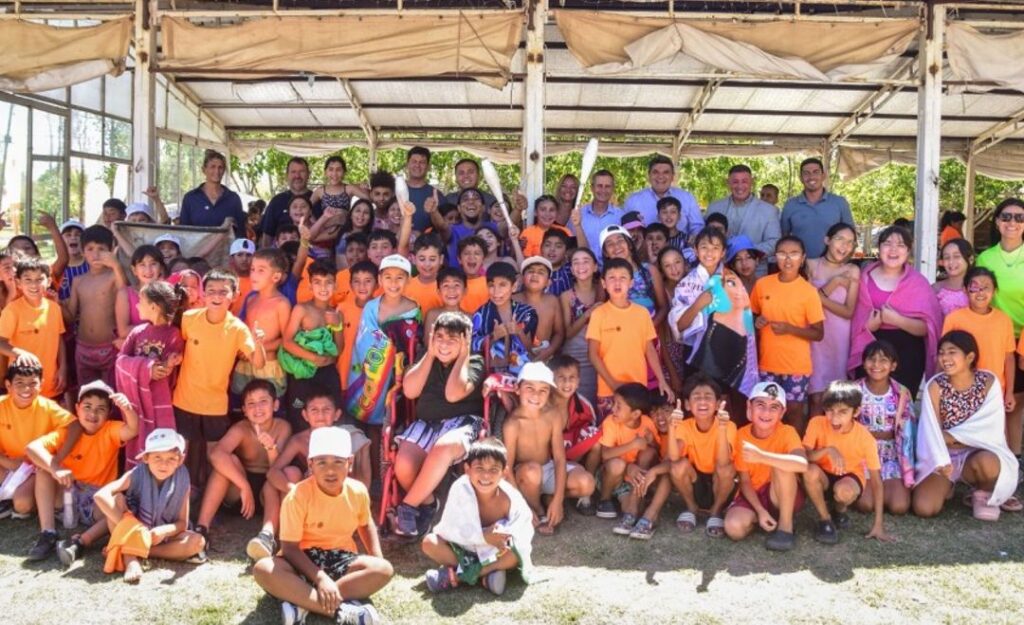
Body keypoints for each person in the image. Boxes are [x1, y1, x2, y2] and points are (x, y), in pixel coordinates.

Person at [252, 426, 392, 625]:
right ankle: (340, 610)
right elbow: (290, 548)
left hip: (341, 558)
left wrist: (377, 557)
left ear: (350, 463)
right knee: (263, 568)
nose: (330, 470)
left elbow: (365, 523)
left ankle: (302, 601)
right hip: (301, 559)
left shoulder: (358, 490)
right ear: (310, 464)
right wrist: (320, 579)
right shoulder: (297, 496)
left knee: (383, 569)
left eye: (338, 462)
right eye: (321, 462)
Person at [393, 311, 485, 538]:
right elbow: (410, 391)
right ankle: (429, 502)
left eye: (452, 339)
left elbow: (454, 395)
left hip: (463, 423)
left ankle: (407, 507)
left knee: (444, 446)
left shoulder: (475, 361)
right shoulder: (427, 357)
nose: (444, 344)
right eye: (440, 337)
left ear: (465, 341)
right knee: (403, 464)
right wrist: (430, 355)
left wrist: (463, 356)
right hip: (427, 422)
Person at [27, 381, 139, 565]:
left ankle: (80, 542)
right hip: (67, 490)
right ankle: (48, 533)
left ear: (108, 413)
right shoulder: (66, 431)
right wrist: (55, 468)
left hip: (94, 497)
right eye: (87, 407)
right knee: (43, 471)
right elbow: (31, 448)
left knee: (118, 504)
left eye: (100, 409)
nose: (92, 414)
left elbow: (132, 429)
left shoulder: (110, 429)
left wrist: (126, 408)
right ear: (77, 408)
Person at [173, 270, 266, 493]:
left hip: (216, 403)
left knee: (214, 454)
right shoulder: (188, 318)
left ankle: (215, 497)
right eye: (211, 291)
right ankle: (180, 497)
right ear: (203, 294)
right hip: (184, 399)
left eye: (223, 292)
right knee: (182, 452)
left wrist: (258, 342)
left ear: (234, 295)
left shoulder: (238, 328)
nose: (217, 296)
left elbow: (258, 363)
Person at [913, 331, 1020, 521]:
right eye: (941, 352)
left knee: (989, 463)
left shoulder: (988, 382)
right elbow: (931, 432)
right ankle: (949, 483)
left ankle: (982, 493)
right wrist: (941, 459)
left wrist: (952, 437)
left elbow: (990, 429)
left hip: (978, 453)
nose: (944, 358)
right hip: (944, 456)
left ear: (970, 357)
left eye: (951, 352)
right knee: (924, 508)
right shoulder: (935, 386)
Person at [421, 437, 534, 595]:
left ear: (504, 472)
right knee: (429, 543)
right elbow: (450, 528)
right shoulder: (460, 488)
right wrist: (482, 537)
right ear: (467, 469)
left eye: (494, 470)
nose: (486, 476)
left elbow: (523, 528)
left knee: (514, 555)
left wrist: (502, 536)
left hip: (494, 551)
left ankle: (459, 576)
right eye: (479, 468)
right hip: (463, 549)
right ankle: (487, 576)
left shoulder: (510, 498)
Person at [93, 428, 206, 584]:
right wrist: (132, 530)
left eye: (171, 459)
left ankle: (138, 550)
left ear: (180, 460)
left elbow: (182, 523)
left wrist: (164, 530)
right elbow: (101, 495)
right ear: (146, 457)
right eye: (157, 457)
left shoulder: (183, 477)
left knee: (197, 542)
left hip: (159, 535)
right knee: (117, 499)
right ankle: (130, 559)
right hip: (135, 527)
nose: (164, 464)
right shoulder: (137, 473)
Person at [195, 379, 291, 560]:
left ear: (275, 405)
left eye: (264, 401)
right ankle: (201, 529)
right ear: (244, 411)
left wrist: (271, 449)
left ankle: (268, 536)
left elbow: (278, 470)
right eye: (251, 404)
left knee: (275, 480)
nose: (258, 408)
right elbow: (216, 455)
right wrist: (244, 485)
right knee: (226, 462)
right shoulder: (241, 428)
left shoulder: (282, 427)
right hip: (240, 495)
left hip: (268, 495)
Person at [849, 225, 943, 398]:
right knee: (865, 402)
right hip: (870, 345)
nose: (893, 249)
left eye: (900, 245)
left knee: (901, 404)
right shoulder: (863, 277)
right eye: (887, 243)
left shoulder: (918, 283)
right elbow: (853, 319)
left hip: (907, 351)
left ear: (908, 251)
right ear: (879, 248)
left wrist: (897, 320)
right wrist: (868, 326)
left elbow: (928, 327)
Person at [503, 362, 595, 535]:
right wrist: (521, 506)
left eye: (543, 390)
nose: (536, 395)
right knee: (532, 471)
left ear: (549, 392)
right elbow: (507, 468)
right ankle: (536, 509)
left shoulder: (552, 415)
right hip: (526, 475)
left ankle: (549, 499)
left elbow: (560, 458)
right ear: (518, 389)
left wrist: (559, 500)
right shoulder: (513, 424)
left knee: (587, 483)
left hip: (549, 467)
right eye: (529, 388)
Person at [802, 381, 893, 544]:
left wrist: (878, 524)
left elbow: (877, 482)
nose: (834, 418)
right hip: (822, 474)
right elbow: (804, 457)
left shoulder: (865, 438)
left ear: (856, 411)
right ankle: (825, 520)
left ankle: (840, 510)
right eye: (829, 410)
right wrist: (827, 450)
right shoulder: (816, 423)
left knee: (843, 492)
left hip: (849, 477)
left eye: (842, 412)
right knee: (809, 471)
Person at [751, 236, 825, 433]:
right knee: (766, 412)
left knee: (794, 411)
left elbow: (818, 333)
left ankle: (794, 455)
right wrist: (756, 322)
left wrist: (790, 329)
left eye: (794, 254)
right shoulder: (763, 284)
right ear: (776, 257)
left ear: (803, 258)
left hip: (796, 366)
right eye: (783, 253)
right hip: (767, 363)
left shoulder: (808, 292)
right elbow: (752, 317)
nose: (788, 259)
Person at [723, 381, 808, 552]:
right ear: (749, 406)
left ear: (782, 412)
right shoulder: (741, 435)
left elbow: (802, 464)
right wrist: (760, 511)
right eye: (760, 405)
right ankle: (763, 518)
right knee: (734, 528)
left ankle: (785, 527)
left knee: (782, 464)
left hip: (781, 493)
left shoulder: (787, 432)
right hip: (755, 494)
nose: (766, 412)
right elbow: (745, 481)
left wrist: (762, 457)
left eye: (774, 407)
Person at [943, 267, 1019, 452]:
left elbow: (1009, 357)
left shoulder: (1004, 320)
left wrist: (1009, 392)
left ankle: (999, 472)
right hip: (961, 389)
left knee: (996, 437)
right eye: (974, 287)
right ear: (965, 290)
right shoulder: (955, 319)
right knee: (961, 436)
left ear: (994, 291)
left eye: (986, 287)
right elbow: (944, 355)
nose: (980, 292)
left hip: (994, 391)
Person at [588, 257, 673, 422]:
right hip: (608, 390)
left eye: (623, 278)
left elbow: (649, 350)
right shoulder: (599, 314)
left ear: (631, 283)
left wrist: (662, 380)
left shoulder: (642, 314)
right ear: (604, 284)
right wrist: (613, 384)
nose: (617, 283)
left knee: (638, 432)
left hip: (638, 389)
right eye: (612, 278)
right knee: (610, 437)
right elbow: (592, 354)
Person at [0, 362, 74, 545]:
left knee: (22, 504)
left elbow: (75, 425)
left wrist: (56, 459)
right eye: (19, 383)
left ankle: (15, 503)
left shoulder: (47, 407)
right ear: (8, 385)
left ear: (41, 384)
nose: (26, 389)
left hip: (33, 467)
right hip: (7, 463)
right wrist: (6, 462)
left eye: (33, 383)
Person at [115, 280, 186, 468]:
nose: (137, 305)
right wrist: (147, 369)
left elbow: (170, 367)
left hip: (159, 402)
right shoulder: (137, 332)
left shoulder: (173, 334)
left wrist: (168, 366)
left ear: (153, 307)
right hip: (137, 402)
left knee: (160, 445)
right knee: (138, 442)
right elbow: (120, 361)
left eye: (140, 300)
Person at [976, 198, 1024, 457]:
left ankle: (1014, 456)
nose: (1012, 223)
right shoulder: (986, 257)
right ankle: (993, 455)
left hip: (1023, 338)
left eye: (1019, 217)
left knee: (1017, 402)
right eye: (1006, 217)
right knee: (998, 400)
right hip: (995, 338)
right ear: (997, 221)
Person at [666, 374, 737, 538]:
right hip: (697, 478)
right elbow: (674, 457)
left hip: (721, 482)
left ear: (718, 404)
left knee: (726, 469)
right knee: (677, 466)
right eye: (696, 397)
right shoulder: (684, 426)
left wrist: (721, 429)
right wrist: (672, 428)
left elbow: (723, 461)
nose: (702, 401)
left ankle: (716, 511)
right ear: (687, 405)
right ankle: (691, 508)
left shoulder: (729, 425)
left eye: (708, 397)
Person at [280, 260, 344, 430]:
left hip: (327, 373)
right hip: (304, 374)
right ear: (310, 286)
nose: (323, 288)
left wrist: (337, 325)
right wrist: (313, 357)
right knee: (299, 418)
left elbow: (339, 349)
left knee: (330, 419)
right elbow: (287, 342)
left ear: (335, 285)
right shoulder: (302, 309)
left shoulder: (336, 313)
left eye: (328, 282)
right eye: (317, 282)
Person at [854, 340, 916, 515]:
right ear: (863, 363)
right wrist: (875, 434)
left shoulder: (902, 393)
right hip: (862, 456)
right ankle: (870, 488)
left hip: (892, 457)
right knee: (865, 505)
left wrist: (893, 434)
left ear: (893, 365)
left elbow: (910, 430)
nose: (876, 365)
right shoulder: (854, 390)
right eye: (871, 359)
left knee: (899, 507)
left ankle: (888, 486)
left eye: (883, 360)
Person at [806, 223, 860, 418]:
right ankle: (812, 443)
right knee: (815, 397)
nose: (844, 246)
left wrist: (818, 297)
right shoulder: (811, 264)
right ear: (827, 240)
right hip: (816, 335)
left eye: (850, 242)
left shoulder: (852, 269)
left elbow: (848, 311)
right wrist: (836, 282)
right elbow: (808, 304)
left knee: (837, 397)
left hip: (839, 338)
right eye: (839, 239)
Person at [593, 383, 660, 533]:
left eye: (618, 406)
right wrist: (632, 445)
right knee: (617, 464)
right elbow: (605, 455)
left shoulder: (647, 423)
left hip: (631, 479)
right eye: (614, 404)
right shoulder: (610, 422)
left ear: (636, 414)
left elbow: (657, 452)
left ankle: (633, 503)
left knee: (648, 453)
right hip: (611, 475)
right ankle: (604, 500)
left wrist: (652, 442)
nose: (613, 409)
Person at [65, 225, 125, 388]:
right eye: (90, 249)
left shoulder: (115, 276)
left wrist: (116, 265)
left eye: (101, 249)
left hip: (110, 346)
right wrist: (55, 301)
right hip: (83, 346)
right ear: (83, 252)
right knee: (86, 394)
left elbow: (125, 293)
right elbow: (70, 315)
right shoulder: (78, 281)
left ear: (112, 250)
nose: (96, 254)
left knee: (111, 396)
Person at [0, 257, 67, 400]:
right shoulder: (12, 310)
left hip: (50, 383)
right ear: (18, 283)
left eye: (39, 279)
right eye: (28, 280)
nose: (34, 285)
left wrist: (63, 368)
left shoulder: (54, 308)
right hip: (23, 388)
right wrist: (20, 354)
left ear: (48, 281)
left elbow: (59, 338)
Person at [233, 249, 291, 400]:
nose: (254, 275)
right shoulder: (251, 299)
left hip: (269, 367)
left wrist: (260, 349)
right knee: (242, 407)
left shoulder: (281, 303)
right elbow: (244, 330)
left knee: (267, 408)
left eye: (261, 271)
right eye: (252, 270)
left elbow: (287, 340)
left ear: (276, 276)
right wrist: (244, 349)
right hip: (245, 364)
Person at [706, 164, 781, 273]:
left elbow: (775, 242)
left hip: (755, 272)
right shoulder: (714, 207)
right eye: (735, 182)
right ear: (728, 183)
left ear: (752, 182)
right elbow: (705, 237)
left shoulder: (769, 210)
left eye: (744, 181)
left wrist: (747, 253)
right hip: (720, 271)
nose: (740, 186)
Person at [471, 261, 537, 376]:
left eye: (502, 285)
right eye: (491, 285)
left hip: (523, 377)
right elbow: (472, 345)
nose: (496, 291)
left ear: (514, 286)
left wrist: (519, 331)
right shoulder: (481, 314)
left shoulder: (526, 313)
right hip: (491, 377)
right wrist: (492, 337)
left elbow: (533, 349)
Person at [780, 157, 854, 258]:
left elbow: (851, 237)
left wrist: (843, 262)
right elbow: (784, 238)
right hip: (800, 267)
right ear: (801, 178)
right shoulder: (790, 205)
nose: (811, 177)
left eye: (816, 172)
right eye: (806, 173)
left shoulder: (839, 203)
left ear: (823, 176)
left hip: (832, 266)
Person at [559, 248, 604, 405]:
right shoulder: (566, 296)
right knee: (576, 401)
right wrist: (587, 313)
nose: (581, 266)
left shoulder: (603, 289)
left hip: (599, 353)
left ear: (595, 267)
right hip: (574, 353)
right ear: (571, 269)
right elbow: (568, 333)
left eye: (586, 261)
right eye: (576, 263)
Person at [548, 354, 602, 483]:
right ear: (551, 380)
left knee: (595, 438)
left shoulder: (584, 405)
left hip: (572, 451)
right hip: (546, 453)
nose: (567, 383)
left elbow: (590, 429)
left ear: (578, 381)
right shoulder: (542, 402)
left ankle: (589, 482)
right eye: (561, 377)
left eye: (572, 377)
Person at [624, 155, 703, 236]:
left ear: (673, 176)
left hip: (681, 247)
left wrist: (693, 240)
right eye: (655, 172)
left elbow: (697, 226)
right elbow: (625, 230)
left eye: (666, 172)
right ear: (649, 176)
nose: (660, 176)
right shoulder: (633, 200)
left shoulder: (687, 198)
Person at [179, 149, 246, 238]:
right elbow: (183, 232)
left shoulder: (233, 199)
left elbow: (240, 233)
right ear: (204, 170)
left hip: (226, 250)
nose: (217, 171)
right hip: (197, 251)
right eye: (212, 167)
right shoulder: (190, 198)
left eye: (220, 167)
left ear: (224, 170)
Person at [114, 245, 166, 350]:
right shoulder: (125, 294)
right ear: (134, 270)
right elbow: (123, 331)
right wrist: (156, 331)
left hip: (161, 352)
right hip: (132, 354)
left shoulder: (167, 294)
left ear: (161, 268)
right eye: (142, 265)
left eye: (153, 264)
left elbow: (170, 329)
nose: (148, 270)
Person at [337, 261, 378, 393]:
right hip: (344, 373)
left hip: (373, 377)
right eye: (357, 281)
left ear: (377, 284)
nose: (362, 286)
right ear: (350, 284)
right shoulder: (342, 309)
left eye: (368, 281)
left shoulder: (381, 310)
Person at [259, 157, 318, 248]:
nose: (297, 176)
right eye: (293, 172)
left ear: (308, 174)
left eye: (301, 171)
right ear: (287, 175)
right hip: (281, 257)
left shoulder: (318, 199)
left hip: (312, 255)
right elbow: (267, 234)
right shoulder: (276, 201)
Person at [515, 256, 564, 364]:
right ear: (522, 278)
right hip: (516, 357)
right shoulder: (513, 300)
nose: (535, 275)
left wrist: (550, 350)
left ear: (548, 282)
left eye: (541, 272)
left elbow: (559, 333)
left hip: (545, 357)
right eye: (530, 271)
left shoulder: (552, 301)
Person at [570, 170, 623, 262]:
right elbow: (570, 246)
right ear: (592, 188)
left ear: (613, 189)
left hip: (613, 270)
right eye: (599, 186)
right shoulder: (578, 215)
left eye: (607, 186)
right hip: (585, 270)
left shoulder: (620, 215)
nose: (603, 190)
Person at [403, 234, 445, 316]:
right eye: (422, 259)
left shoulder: (446, 288)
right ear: (414, 259)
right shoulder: (406, 286)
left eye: (432, 259)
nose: (427, 264)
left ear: (441, 259)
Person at [933, 238, 973, 317]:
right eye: (947, 257)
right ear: (942, 262)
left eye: (957, 256)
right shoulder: (936, 289)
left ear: (970, 259)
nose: (951, 262)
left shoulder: (977, 288)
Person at [406, 146, 441, 231]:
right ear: (407, 164)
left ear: (428, 167)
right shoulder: (395, 191)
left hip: (426, 242)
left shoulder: (436, 194)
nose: (417, 165)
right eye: (414, 161)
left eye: (422, 162)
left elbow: (443, 228)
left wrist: (434, 212)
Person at [57, 219, 88, 302]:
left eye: (78, 235)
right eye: (68, 235)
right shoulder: (56, 269)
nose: (73, 237)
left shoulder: (92, 265)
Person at [458, 236, 490, 314]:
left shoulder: (490, 284)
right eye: (466, 253)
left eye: (477, 253)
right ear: (459, 259)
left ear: (483, 259)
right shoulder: (453, 284)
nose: (471, 257)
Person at [228, 238, 256, 316]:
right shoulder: (226, 281)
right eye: (240, 255)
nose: (244, 259)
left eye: (248, 255)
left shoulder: (260, 281)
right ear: (232, 259)